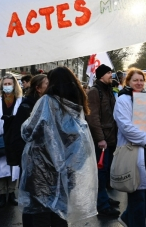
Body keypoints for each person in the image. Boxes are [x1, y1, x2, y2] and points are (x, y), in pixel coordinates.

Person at [19, 67, 97, 227]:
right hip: (67, 171)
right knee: (60, 212)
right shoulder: (76, 105)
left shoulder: (47, 102)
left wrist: (28, 119)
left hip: (41, 171)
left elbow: (28, 132)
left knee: (40, 215)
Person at [114, 68, 146, 227]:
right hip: (133, 153)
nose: (139, 83)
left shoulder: (144, 98)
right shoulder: (123, 100)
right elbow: (126, 126)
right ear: (128, 82)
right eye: (135, 80)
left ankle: (128, 218)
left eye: (142, 80)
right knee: (137, 198)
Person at [4, 74, 48, 227]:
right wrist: (27, 158)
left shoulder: (44, 103)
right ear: (38, 88)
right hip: (31, 160)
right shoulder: (27, 106)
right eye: (47, 83)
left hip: (43, 160)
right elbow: (19, 135)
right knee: (30, 199)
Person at [85, 64, 120, 218]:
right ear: (100, 76)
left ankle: (104, 198)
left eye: (111, 72)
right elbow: (93, 119)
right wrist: (100, 139)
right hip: (103, 140)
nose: (110, 75)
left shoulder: (108, 90)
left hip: (111, 139)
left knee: (106, 172)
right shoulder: (94, 92)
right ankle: (102, 205)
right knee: (101, 172)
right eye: (108, 73)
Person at [0, 75, 22, 208]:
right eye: (5, 83)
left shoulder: (20, 100)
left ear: (15, 85)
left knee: (14, 166)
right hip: (0, 137)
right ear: (1, 85)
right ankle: (2, 194)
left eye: (10, 83)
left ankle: (12, 193)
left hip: (14, 138)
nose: (7, 85)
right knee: (0, 166)